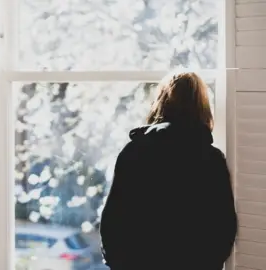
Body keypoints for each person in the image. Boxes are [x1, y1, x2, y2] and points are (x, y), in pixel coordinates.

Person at [100, 72, 237, 270]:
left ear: (160, 103)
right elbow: (223, 226)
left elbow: (113, 219)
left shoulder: (135, 151)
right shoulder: (211, 158)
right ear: (203, 108)